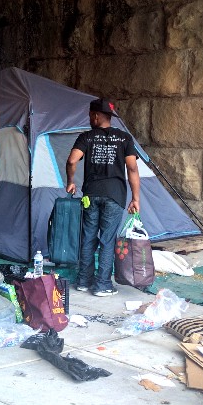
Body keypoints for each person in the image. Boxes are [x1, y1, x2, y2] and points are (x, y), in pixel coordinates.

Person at [65, 97, 140, 297]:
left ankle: (83, 281)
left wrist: (70, 181)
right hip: (115, 195)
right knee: (108, 239)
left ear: (97, 116)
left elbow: (72, 160)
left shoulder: (86, 137)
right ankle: (103, 285)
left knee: (88, 236)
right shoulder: (124, 138)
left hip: (91, 194)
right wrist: (135, 198)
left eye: (90, 115)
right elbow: (132, 168)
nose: (89, 119)